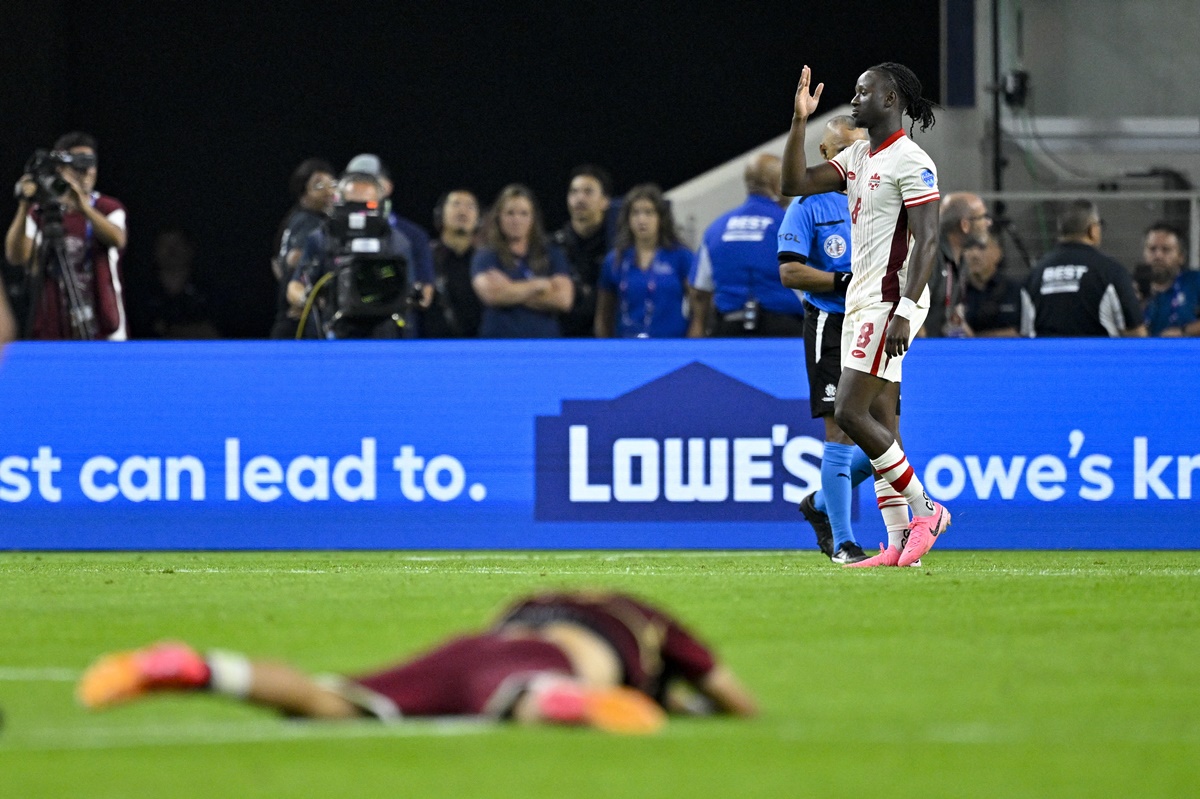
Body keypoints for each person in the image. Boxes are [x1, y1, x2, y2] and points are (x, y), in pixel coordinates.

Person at [76, 590, 758, 735]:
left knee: (329, 700)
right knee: (526, 691)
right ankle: (563, 702)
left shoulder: (538, 600)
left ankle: (200, 667)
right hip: (541, 664)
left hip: (466, 648)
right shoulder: (651, 620)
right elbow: (735, 698)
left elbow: (498, 638)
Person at [780, 62, 950, 568]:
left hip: (890, 298)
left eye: (862, 92)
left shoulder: (911, 160)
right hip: (861, 300)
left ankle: (927, 510)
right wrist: (798, 121)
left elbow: (929, 240)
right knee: (877, 423)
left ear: (891, 98)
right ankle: (900, 545)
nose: (854, 101)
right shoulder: (857, 155)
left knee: (850, 412)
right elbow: (793, 182)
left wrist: (903, 308)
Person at [777, 115, 879, 564]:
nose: (854, 158)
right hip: (831, 326)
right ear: (825, 156)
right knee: (839, 432)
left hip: (874, 324)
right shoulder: (807, 205)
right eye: (844, 150)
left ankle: (819, 504)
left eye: (860, 148)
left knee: (885, 442)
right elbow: (789, 271)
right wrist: (842, 282)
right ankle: (844, 542)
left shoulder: (877, 200)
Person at [5, 132, 128, 340]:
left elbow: (117, 239)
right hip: (53, 324)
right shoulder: (39, 213)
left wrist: (83, 207)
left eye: (91, 164)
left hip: (103, 323)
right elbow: (17, 256)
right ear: (61, 169)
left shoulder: (108, 208)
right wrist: (25, 203)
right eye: (79, 165)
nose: (87, 171)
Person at [285, 172, 417, 339]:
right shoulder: (321, 238)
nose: (358, 214)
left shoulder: (396, 242)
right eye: (350, 205)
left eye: (366, 206)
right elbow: (295, 287)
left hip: (382, 335)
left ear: (381, 205)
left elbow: (408, 292)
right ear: (337, 203)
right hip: (332, 332)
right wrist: (308, 299)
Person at [688, 154, 801, 337]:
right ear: (776, 183)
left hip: (728, 331)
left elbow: (699, 290)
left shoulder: (717, 228)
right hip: (784, 332)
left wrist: (699, 329)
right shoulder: (792, 224)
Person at [1020, 200, 1146, 338]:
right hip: (1096, 357)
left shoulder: (1035, 274)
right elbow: (1136, 333)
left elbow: (1024, 331)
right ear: (1092, 230)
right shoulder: (1111, 271)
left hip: (1047, 357)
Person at [471, 184, 574, 338]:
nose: (516, 220)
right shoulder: (486, 255)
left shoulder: (552, 253)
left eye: (524, 214)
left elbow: (564, 300)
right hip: (498, 346)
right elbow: (492, 295)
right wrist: (540, 285)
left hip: (544, 347)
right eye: (510, 213)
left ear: (533, 219)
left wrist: (509, 289)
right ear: (499, 217)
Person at [343, 154, 436, 319]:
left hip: (393, 334)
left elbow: (425, 296)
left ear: (386, 187)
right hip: (341, 333)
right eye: (355, 182)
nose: (361, 189)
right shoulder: (328, 234)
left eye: (370, 181)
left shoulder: (409, 238)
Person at [594, 184, 694, 338]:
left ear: (661, 217)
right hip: (627, 346)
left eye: (649, 212)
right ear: (627, 218)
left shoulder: (681, 256)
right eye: (635, 213)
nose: (641, 219)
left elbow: (699, 305)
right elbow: (603, 315)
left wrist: (693, 342)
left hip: (672, 345)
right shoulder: (614, 260)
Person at [269, 159, 336, 340]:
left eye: (333, 184)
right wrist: (305, 295)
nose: (329, 191)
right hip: (300, 322)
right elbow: (294, 259)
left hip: (286, 319)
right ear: (303, 191)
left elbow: (276, 265)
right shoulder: (311, 223)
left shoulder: (294, 218)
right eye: (319, 185)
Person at [555, 165, 615, 337]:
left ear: (605, 201)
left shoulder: (618, 248)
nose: (579, 198)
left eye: (588, 192)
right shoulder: (552, 246)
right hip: (562, 340)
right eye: (574, 192)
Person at [925, 192, 993, 337]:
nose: (988, 223)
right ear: (965, 225)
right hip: (917, 353)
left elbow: (954, 314)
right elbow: (910, 313)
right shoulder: (931, 257)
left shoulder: (960, 261)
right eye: (982, 218)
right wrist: (921, 354)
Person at [420, 189, 485, 338]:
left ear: (479, 218)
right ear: (440, 214)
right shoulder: (426, 257)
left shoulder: (487, 260)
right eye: (455, 204)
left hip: (481, 347)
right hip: (433, 347)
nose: (463, 211)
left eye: (470, 206)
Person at [138, 226, 221, 339]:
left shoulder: (209, 289)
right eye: (164, 245)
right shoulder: (139, 291)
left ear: (190, 249)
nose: (171, 251)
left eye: (178, 244)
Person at [1140, 222, 1200, 336]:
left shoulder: (1194, 281)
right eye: (1152, 249)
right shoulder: (1132, 287)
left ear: (1181, 257)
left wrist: (1184, 331)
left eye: (1166, 250)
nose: (1158, 256)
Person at [961, 234, 1021, 337]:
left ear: (997, 253)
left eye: (982, 248)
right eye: (968, 247)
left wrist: (974, 339)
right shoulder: (955, 292)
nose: (974, 255)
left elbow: (1027, 333)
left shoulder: (1016, 291)